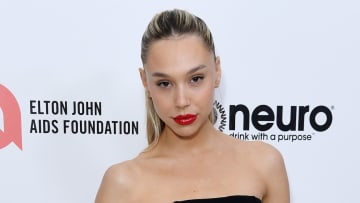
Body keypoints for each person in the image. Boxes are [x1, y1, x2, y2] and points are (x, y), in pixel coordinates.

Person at [95, 9, 290, 203]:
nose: (181, 101)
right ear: (145, 82)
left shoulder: (265, 163)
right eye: (164, 83)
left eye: (195, 79)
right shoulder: (122, 184)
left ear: (217, 71)